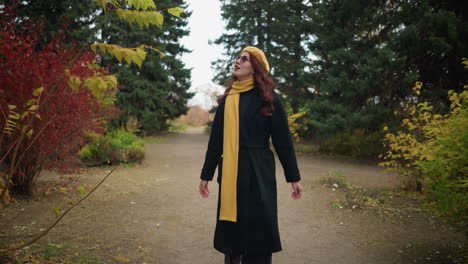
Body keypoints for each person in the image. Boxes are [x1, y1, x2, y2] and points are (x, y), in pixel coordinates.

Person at [199, 46, 303, 264]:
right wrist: (206, 174)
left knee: (259, 228)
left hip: (259, 171)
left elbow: (283, 141)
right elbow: (216, 140)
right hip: (232, 172)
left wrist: (293, 177)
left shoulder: (270, 99)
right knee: (233, 230)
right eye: (237, 57)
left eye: (244, 59)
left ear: (255, 67)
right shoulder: (228, 99)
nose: (238, 61)